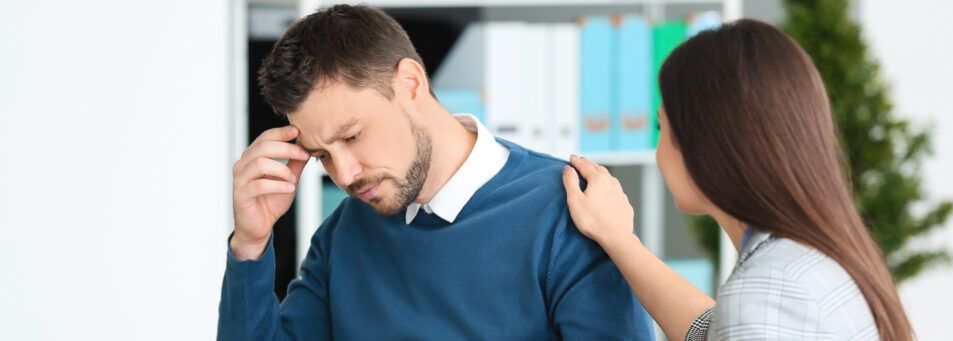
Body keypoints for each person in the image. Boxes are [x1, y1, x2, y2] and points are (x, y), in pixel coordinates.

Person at [218, 4, 652, 340]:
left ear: (410, 83)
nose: (345, 175)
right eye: (322, 155)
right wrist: (251, 245)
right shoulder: (341, 236)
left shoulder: (569, 215)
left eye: (351, 137)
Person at [562, 19, 913, 340]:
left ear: (706, 143)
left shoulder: (767, 292)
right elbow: (711, 331)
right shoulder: (808, 256)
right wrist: (618, 239)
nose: (659, 152)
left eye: (661, 128)